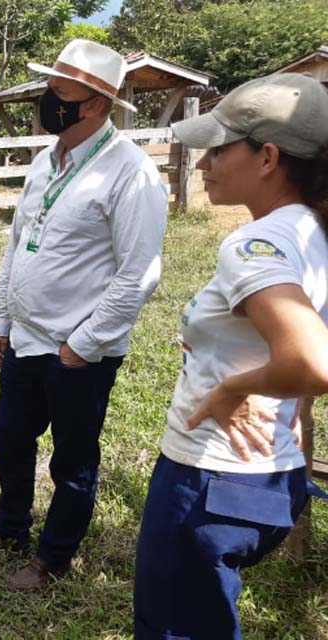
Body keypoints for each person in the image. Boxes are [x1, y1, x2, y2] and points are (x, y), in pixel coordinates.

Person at [0, 39, 169, 589]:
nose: (47, 100)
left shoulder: (131, 173)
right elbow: (17, 245)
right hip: (25, 339)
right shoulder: (45, 163)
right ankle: (9, 527)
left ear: (95, 102)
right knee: (10, 439)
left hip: (78, 352)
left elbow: (140, 271)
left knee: (72, 460)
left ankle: (53, 557)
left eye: (59, 91)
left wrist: (85, 343)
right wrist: (0, 318)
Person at [133, 73, 328, 640]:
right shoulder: (315, 230)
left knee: (178, 628)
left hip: (211, 478)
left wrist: (234, 387)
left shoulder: (254, 244)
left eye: (219, 148)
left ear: (267, 156)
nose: (202, 163)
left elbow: (312, 361)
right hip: (271, 477)